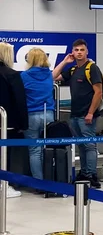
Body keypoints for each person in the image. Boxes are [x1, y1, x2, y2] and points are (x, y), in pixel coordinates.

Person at [52, 39, 103, 188]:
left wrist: (90, 112)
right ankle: (85, 172)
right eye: (76, 50)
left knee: (89, 145)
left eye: (82, 50)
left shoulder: (92, 68)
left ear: (87, 51)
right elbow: (53, 77)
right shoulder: (74, 70)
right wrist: (65, 61)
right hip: (74, 114)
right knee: (81, 145)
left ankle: (92, 175)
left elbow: (98, 92)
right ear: (73, 52)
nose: (79, 52)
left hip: (86, 115)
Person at [21, 48, 55, 182]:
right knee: (49, 149)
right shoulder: (49, 75)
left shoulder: (24, 75)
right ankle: (51, 179)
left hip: (31, 115)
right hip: (48, 114)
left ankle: (38, 183)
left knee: (35, 151)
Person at [0, 42, 27, 198]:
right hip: (7, 125)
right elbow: (19, 101)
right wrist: (23, 124)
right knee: (5, 154)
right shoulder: (11, 74)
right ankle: (5, 184)